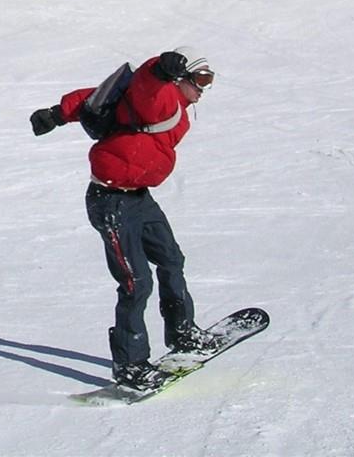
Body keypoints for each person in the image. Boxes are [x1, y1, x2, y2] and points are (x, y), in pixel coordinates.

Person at [29, 48, 217, 391]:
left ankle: (182, 332)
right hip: (111, 201)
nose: (205, 87)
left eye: (210, 80)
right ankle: (130, 364)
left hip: (139, 197)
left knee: (171, 259)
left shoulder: (173, 106)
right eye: (201, 79)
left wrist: (58, 113)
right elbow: (145, 85)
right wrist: (159, 68)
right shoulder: (160, 96)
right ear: (180, 77)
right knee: (136, 282)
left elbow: (98, 96)